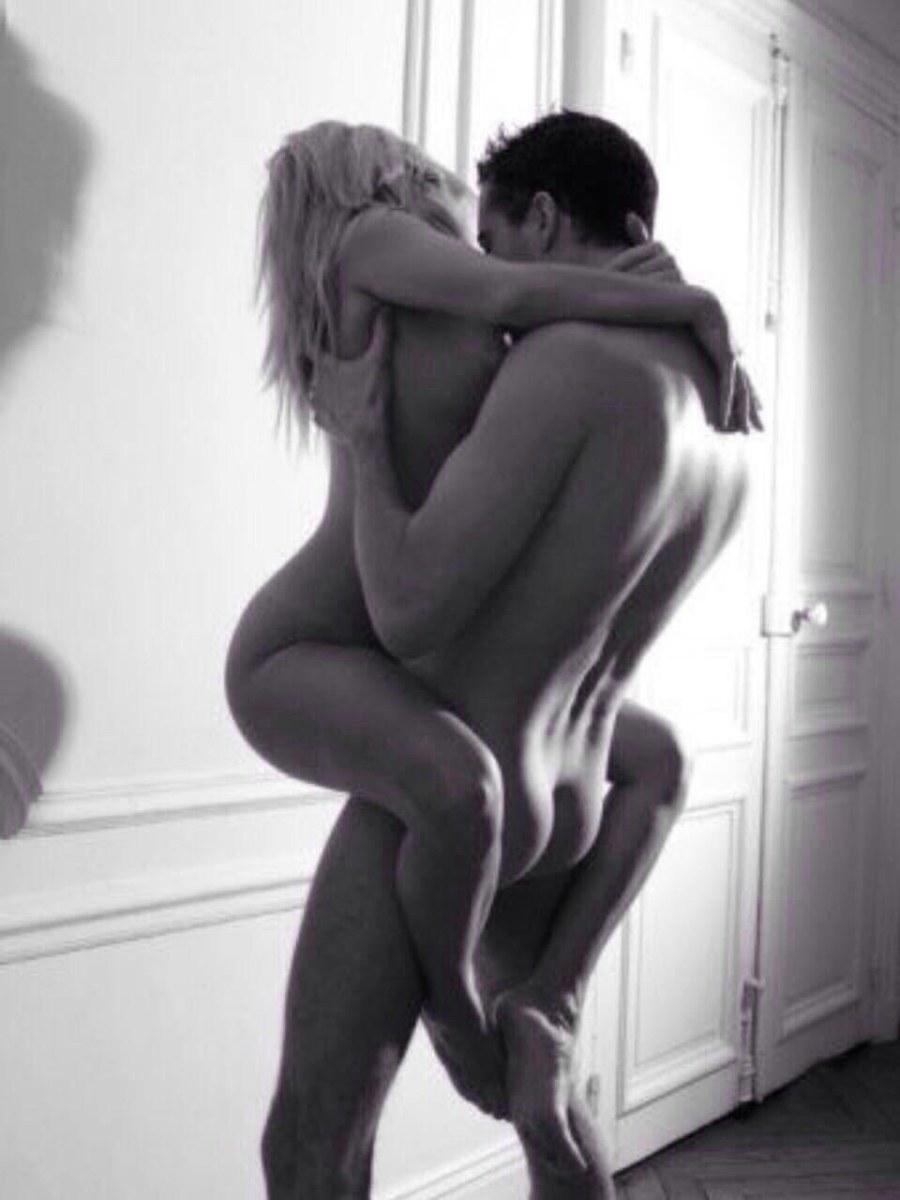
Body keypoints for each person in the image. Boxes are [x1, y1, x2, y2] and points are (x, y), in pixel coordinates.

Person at [225, 114, 760, 1198]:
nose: (480, 254)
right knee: (548, 1110)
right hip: (572, 785)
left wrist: (366, 443)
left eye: (494, 231)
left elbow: (413, 611)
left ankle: (475, 1026)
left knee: (311, 1145)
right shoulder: (723, 415)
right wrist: (693, 308)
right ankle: (542, 1009)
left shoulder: (562, 364)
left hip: (466, 778)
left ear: (544, 217)